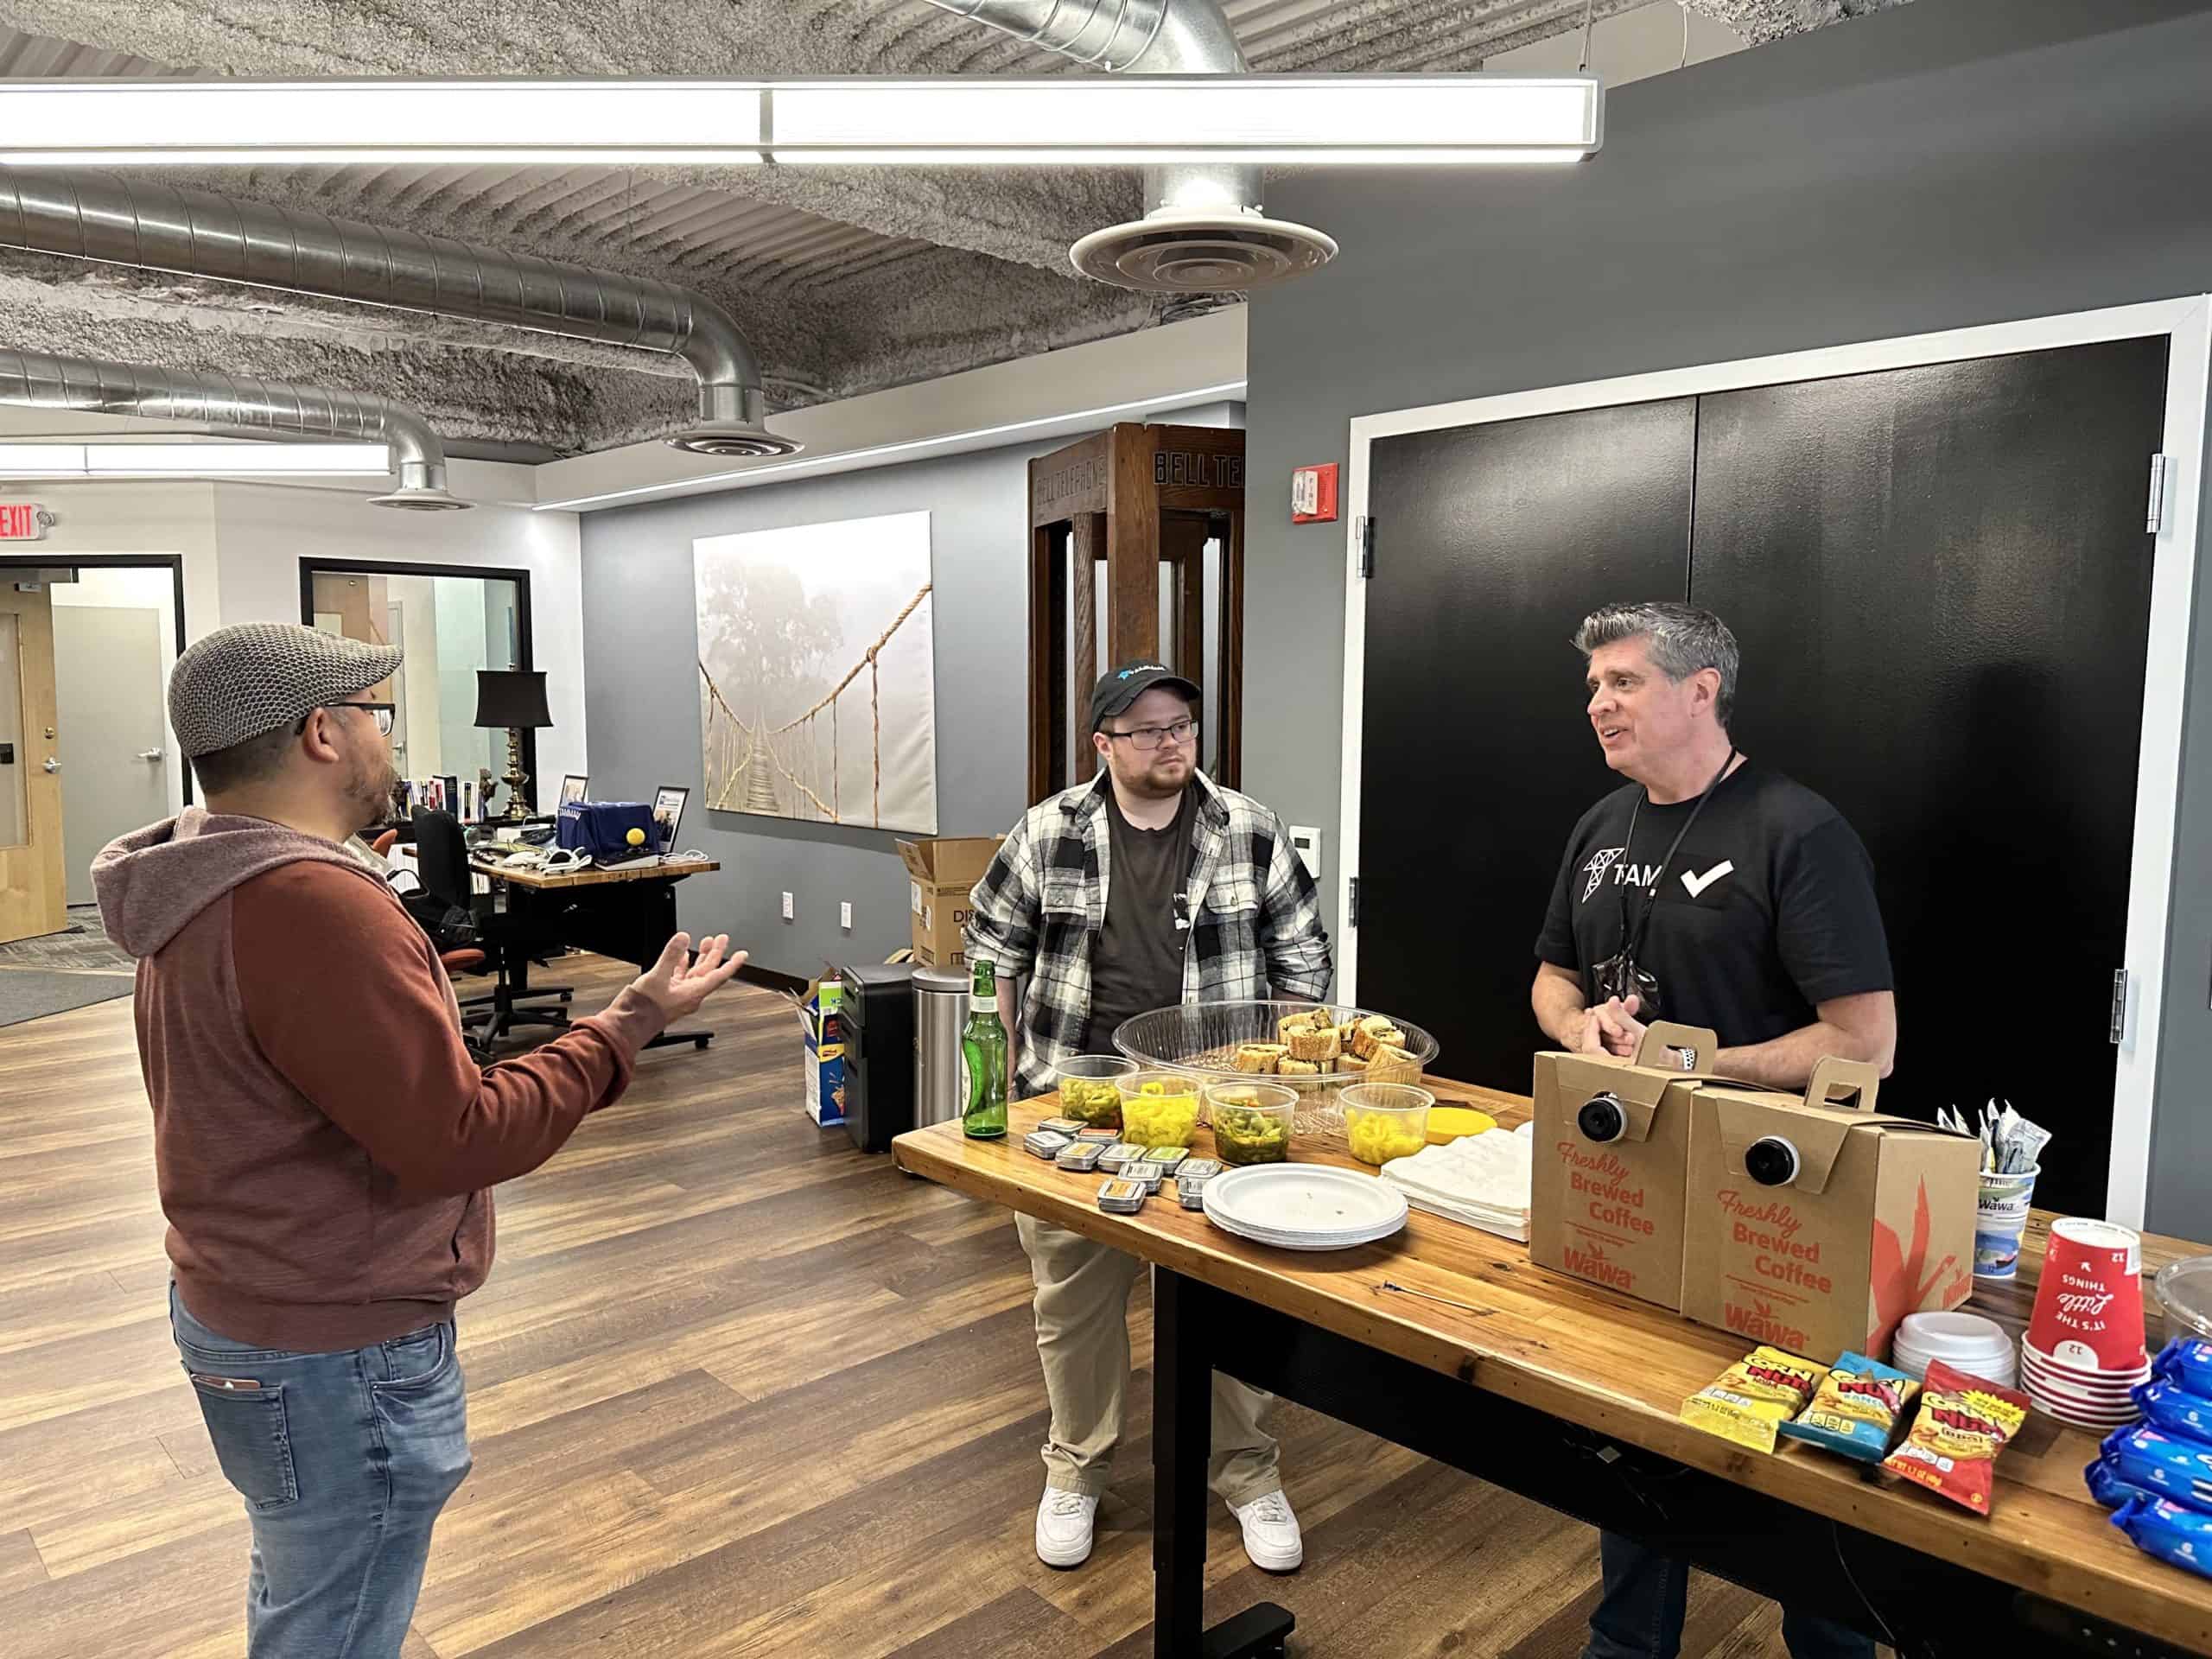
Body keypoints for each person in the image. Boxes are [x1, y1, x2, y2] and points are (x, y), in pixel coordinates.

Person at [92, 623, 746, 1659]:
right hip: (334, 1343)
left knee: (308, 1585)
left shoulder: (201, 877)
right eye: (377, 719)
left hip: (250, 1308)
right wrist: (626, 1022)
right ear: (322, 733)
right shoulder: (308, 904)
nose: (387, 745)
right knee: (337, 1621)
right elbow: (459, 1136)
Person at [1529, 602, 1895, 1659]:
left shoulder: (1799, 830)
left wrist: (1692, 1064)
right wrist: (1583, 1029)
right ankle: (1626, 1649)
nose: (1599, 704)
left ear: (1701, 691)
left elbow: (1863, 1044)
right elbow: (1551, 980)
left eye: (1623, 682)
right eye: (1594, 685)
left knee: (1803, 1471)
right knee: (1638, 1438)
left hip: (1776, 1200)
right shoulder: (1599, 827)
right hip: (1631, 1176)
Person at [967, 661, 1332, 1573]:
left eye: (1181, 725)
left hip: (1222, 1111)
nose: (1169, 742)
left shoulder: (1247, 829)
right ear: (1103, 744)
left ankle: (1247, 1473)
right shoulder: (1047, 832)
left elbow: (1302, 964)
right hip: (1078, 1106)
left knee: (1239, 1297)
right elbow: (991, 956)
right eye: (1145, 729)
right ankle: (1075, 1471)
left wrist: (1280, 1085)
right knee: (1074, 1300)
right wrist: (1011, 1078)